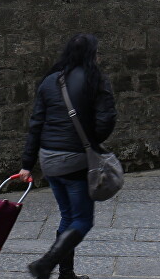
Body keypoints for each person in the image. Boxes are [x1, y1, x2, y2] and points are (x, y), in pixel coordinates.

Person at [17, 33, 117, 279]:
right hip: (75, 161)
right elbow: (107, 119)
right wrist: (90, 142)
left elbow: (36, 125)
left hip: (48, 160)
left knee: (68, 216)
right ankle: (46, 263)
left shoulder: (50, 81)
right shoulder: (96, 80)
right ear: (92, 55)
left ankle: (66, 273)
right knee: (83, 221)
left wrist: (27, 164)